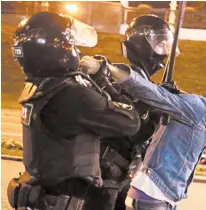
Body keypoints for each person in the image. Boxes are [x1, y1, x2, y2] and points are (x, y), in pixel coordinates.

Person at [80, 56, 206, 210]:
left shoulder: (205, 121)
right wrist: (107, 68)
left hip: (164, 197)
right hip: (153, 194)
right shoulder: (200, 110)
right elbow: (153, 94)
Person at [7, 11, 142, 210]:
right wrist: (104, 82)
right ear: (57, 50)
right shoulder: (72, 95)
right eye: (71, 44)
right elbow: (131, 122)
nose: (76, 51)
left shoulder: (38, 87)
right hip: (67, 199)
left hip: (44, 194)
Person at [84, 15, 178, 210]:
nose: (163, 52)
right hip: (105, 171)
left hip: (122, 173)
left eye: (165, 44)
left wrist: (162, 100)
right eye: (159, 44)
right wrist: (156, 106)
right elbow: (135, 128)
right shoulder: (121, 77)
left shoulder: (144, 84)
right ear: (141, 43)